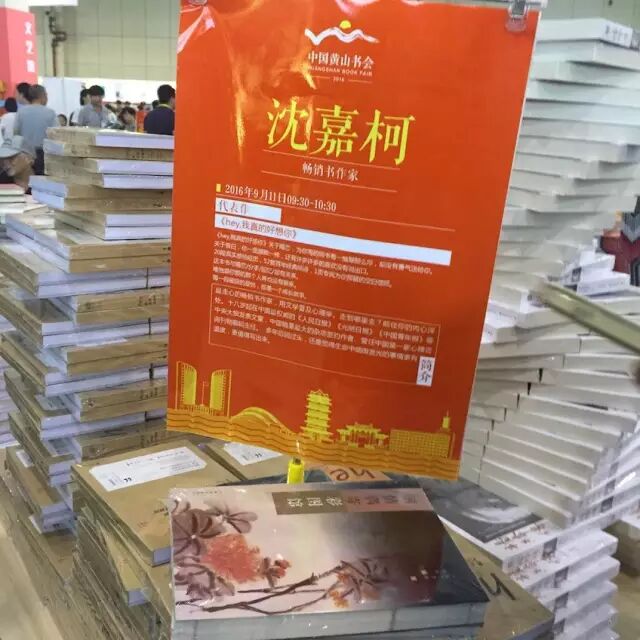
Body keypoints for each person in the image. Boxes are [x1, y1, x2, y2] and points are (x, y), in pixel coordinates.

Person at [13, 85, 56, 176]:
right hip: (45, 155)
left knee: (28, 180)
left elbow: (16, 133)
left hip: (25, 155)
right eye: (46, 95)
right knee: (43, 181)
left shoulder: (21, 112)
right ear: (42, 96)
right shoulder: (50, 113)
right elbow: (56, 135)